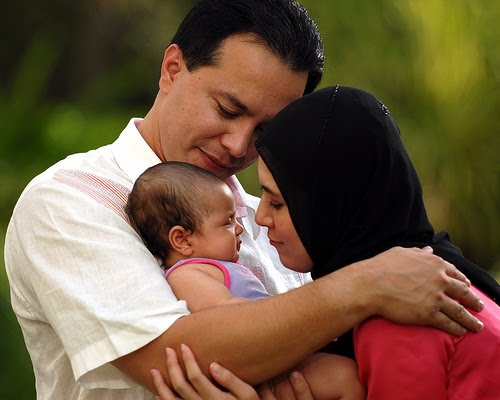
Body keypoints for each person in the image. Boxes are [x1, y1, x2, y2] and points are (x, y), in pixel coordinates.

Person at [3, 0, 484, 398]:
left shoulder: (269, 220)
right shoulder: (71, 200)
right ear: (172, 68)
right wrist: (365, 286)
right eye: (228, 109)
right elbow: (173, 358)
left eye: (266, 130)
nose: (239, 145)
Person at [252, 85, 499, 398]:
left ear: (334, 207)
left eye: (277, 203)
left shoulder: (402, 313)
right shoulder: (433, 267)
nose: (260, 217)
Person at [126, 161, 365, 400]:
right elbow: (224, 316)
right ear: (182, 240)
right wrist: (306, 317)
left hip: (277, 353)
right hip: (261, 370)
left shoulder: (218, 268)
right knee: (344, 376)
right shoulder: (188, 274)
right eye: (227, 222)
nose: (239, 228)